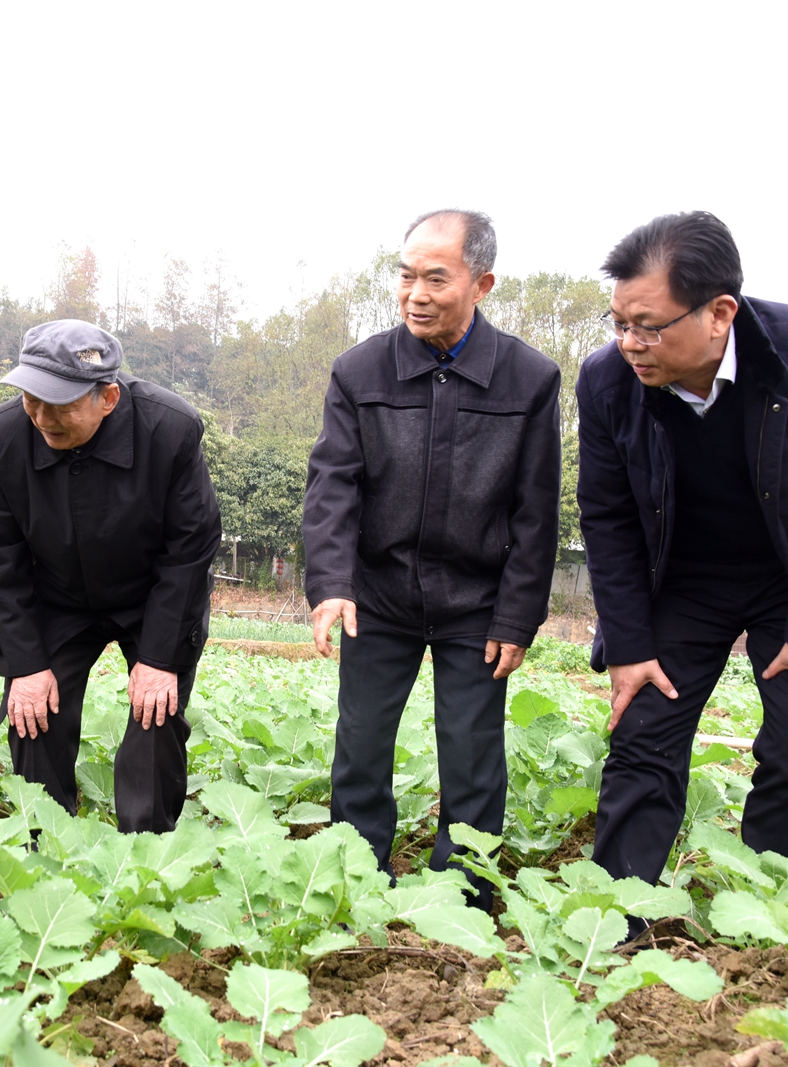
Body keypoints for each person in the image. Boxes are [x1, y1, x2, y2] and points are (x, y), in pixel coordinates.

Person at [578, 212, 788, 912]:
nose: (631, 343)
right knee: (642, 733)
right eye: (619, 323)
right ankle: (617, 916)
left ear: (720, 311)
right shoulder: (606, 381)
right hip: (684, 576)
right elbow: (605, 516)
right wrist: (630, 645)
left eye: (650, 325)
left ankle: (773, 916)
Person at [304, 210, 562, 906]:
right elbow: (333, 485)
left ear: (482, 283)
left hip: (475, 604)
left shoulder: (528, 380)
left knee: (472, 750)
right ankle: (358, 880)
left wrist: (517, 614)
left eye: (435, 278)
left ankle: (465, 897)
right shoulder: (359, 371)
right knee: (360, 743)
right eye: (406, 275)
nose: (414, 293)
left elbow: (536, 513)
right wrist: (331, 583)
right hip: (378, 594)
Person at [0, 319, 221, 832]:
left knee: (156, 711)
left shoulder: (169, 429)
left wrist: (158, 658)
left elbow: (190, 549)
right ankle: (49, 845)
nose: (41, 418)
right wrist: (24, 661)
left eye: (59, 404)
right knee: (32, 712)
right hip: (57, 596)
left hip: (152, 597)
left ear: (107, 397)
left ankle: (143, 854)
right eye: (29, 399)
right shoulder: (1, 438)